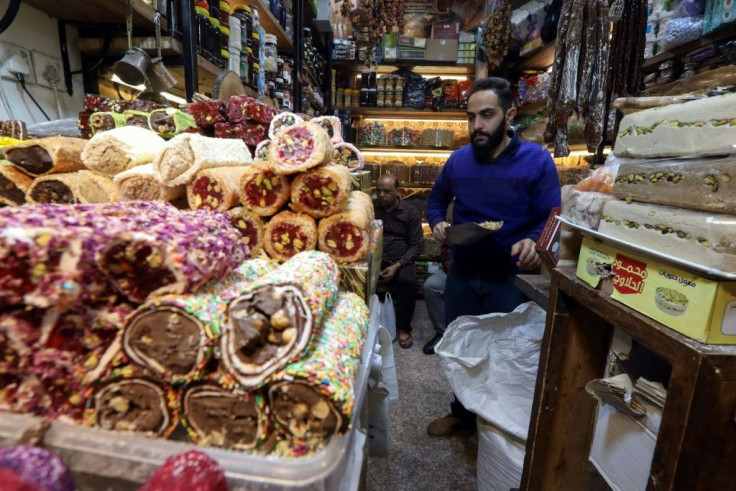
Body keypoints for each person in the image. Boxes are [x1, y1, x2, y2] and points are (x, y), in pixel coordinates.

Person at [425, 77, 561, 437]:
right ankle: (463, 415)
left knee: (505, 354)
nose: (477, 126)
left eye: (486, 116)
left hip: (511, 277)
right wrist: (438, 222)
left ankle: (498, 428)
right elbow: (436, 201)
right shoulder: (458, 161)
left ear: (510, 115)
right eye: (471, 117)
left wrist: (534, 242)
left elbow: (552, 217)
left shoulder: (536, 161)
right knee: (462, 349)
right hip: (463, 272)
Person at [373, 174, 423, 349]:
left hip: (401, 258)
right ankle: (366, 323)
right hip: (376, 256)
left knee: (408, 282)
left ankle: (404, 328)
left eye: (386, 191)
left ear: (398, 191)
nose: (381, 195)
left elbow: (417, 245)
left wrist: (398, 265)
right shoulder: (372, 208)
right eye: (378, 190)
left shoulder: (410, 212)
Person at [422, 244, 452, 355]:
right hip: (456, 269)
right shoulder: (459, 227)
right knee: (431, 286)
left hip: (487, 270)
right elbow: (446, 248)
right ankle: (442, 333)